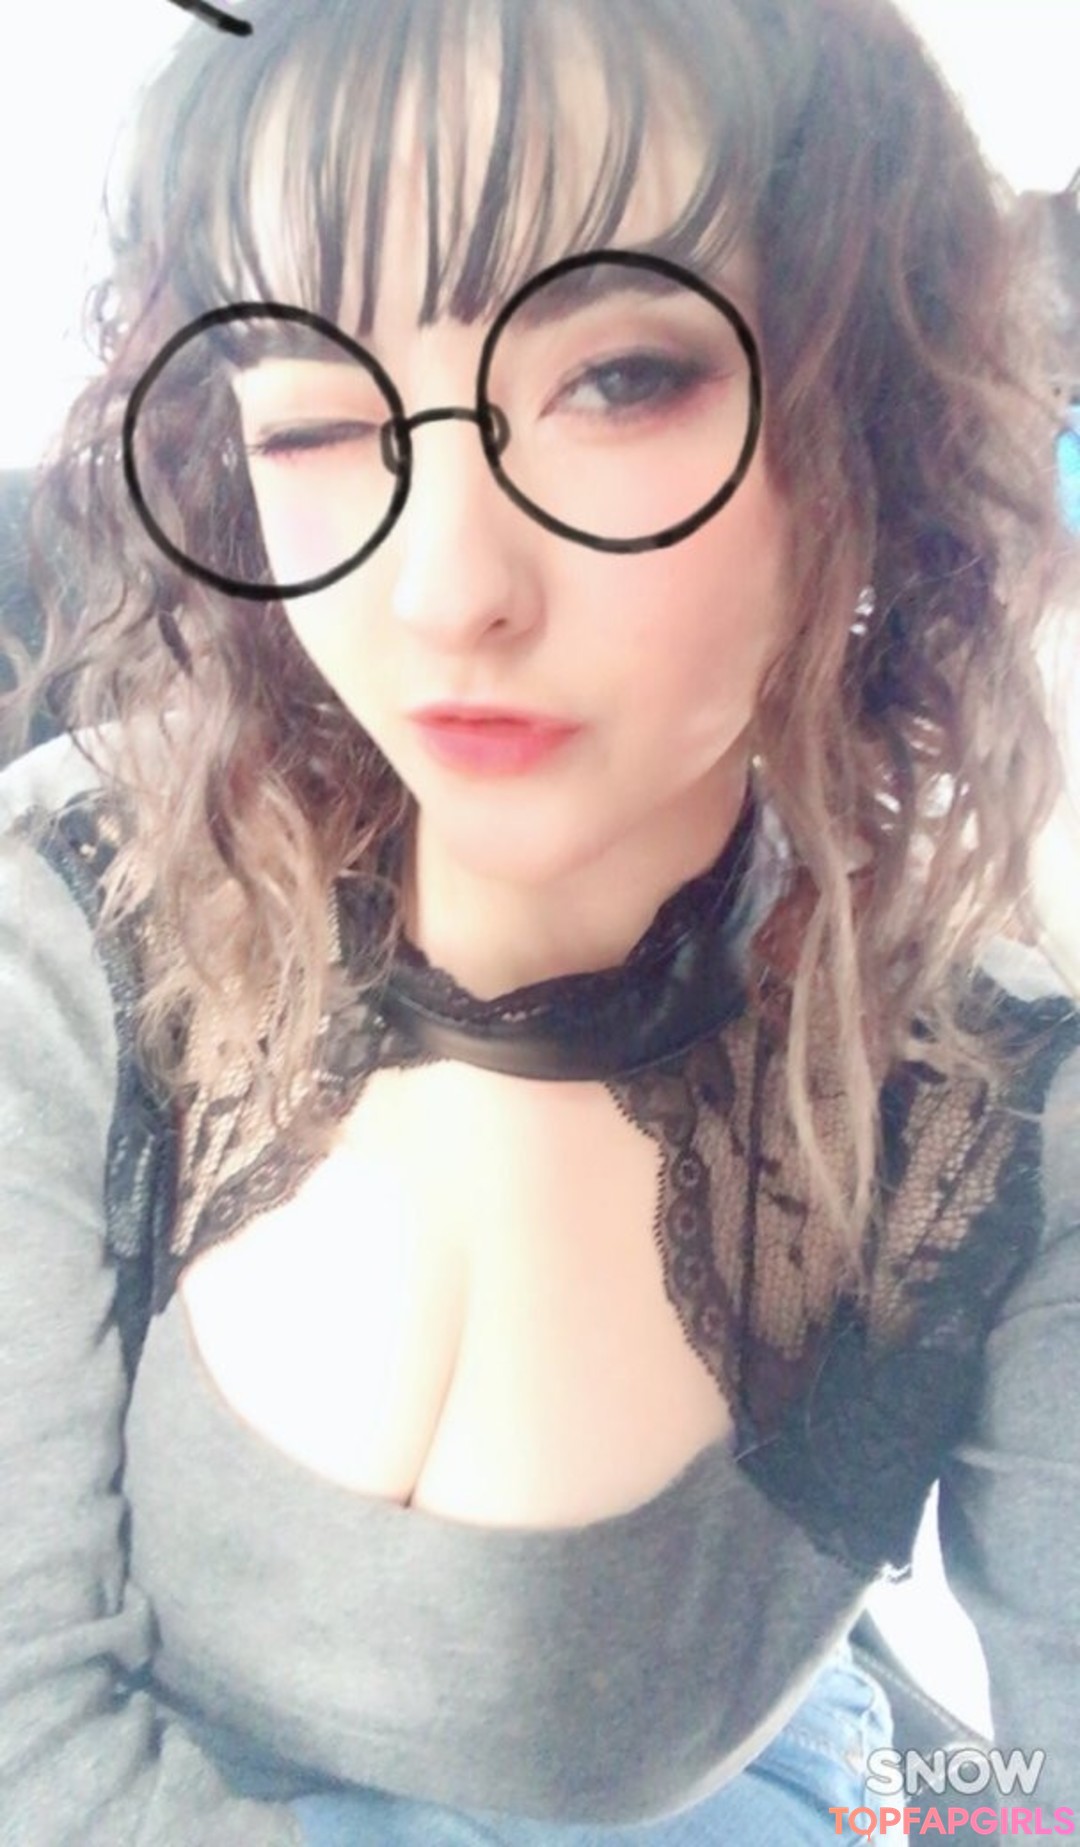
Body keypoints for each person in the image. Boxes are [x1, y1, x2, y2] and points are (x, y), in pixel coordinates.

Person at [2, 0, 1078, 1841]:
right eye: (318, 419)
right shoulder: (80, 903)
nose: (442, 589)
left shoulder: (989, 1126)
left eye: (619, 381)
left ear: (867, 411)